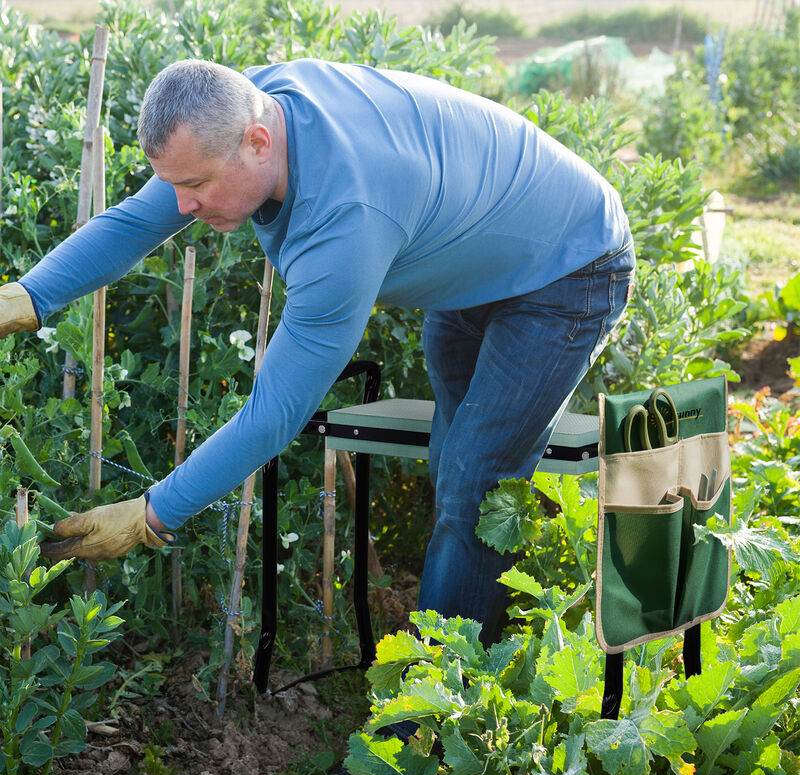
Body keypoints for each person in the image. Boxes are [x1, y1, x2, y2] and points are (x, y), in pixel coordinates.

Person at [0, 57, 634, 649]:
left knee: (477, 477)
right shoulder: (251, 103)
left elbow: (275, 414)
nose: (183, 206)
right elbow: (139, 220)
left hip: (569, 266)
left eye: (195, 186)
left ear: (257, 144)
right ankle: (476, 624)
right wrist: (26, 298)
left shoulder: (345, 222)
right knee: (457, 462)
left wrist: (151, 514)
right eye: (175, 185)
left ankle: (432, 719)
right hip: (480, 250)